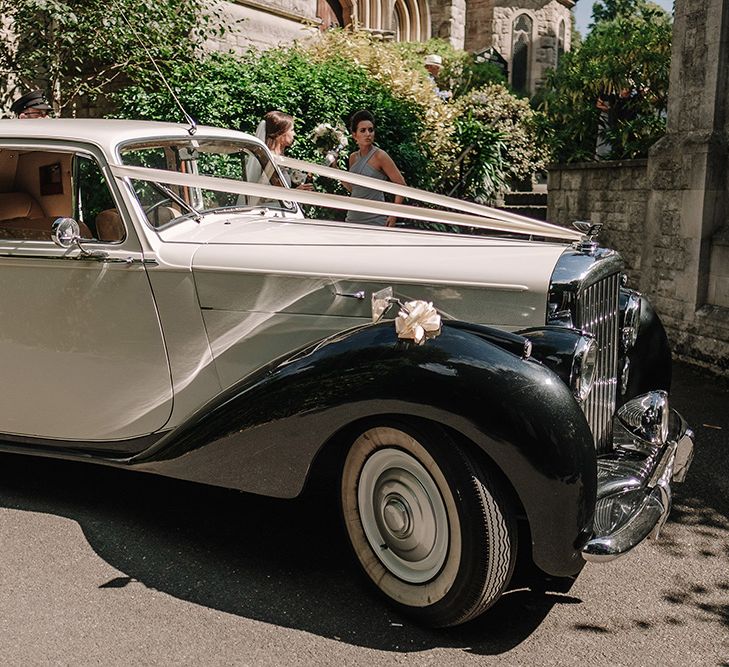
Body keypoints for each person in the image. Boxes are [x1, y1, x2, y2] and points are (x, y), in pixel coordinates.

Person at [342, 109, 406, 227]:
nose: (368, 134)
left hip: (374, 219)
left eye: (370, 130)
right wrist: (336, 171)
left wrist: (393, 215)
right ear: (354, 135)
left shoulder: (380, 156)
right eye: (363, 130)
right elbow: (355, 189)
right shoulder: (353, 157)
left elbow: (401, 185)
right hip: (353, 217)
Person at [246, 110, 313, 190]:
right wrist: (296, 192)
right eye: (292, 130)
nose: (294, 134)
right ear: (281, 133)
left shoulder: (278, 157)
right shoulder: (270, 159)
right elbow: (261, 195)